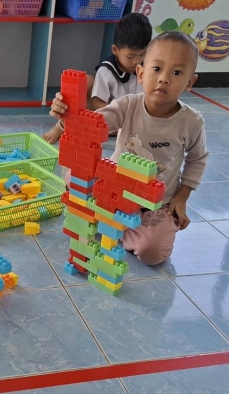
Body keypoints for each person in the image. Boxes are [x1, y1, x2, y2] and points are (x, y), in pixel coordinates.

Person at [50, 31, 208, 266]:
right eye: (157, 69)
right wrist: (67, 117)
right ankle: (116, 222)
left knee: (152, 254)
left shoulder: (191, 122)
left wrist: (182, 196)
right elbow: (91, 125)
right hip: (114, 189)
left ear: (189, 83)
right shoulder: (127, 105)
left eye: (176, 73)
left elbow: (197, 159)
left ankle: (120, 225)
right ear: (141, 73)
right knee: (75, 177)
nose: (164, 79)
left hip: (154, 203)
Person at [42, 12, 152, 144]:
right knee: (85, 82)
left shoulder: (147, 69)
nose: (137, 61)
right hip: (108, 118)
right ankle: (60, 127)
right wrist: (118, 115)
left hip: (132, 123)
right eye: (130, 56)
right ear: (115, 50)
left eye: (142, 54)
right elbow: (97, 103)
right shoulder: (106, 70)